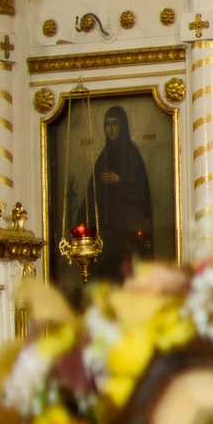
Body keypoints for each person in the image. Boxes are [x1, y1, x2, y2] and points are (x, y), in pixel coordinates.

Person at [72, 102, 156, 286]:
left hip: (126, 231)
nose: (110, 129)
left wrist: (120, 181)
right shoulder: (104, 156)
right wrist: (81, 221)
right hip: (105, 232)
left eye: (114, 124)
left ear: (123, 125)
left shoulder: (132, 154)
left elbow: (143, 193)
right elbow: (92, 191)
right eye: (107, 124)